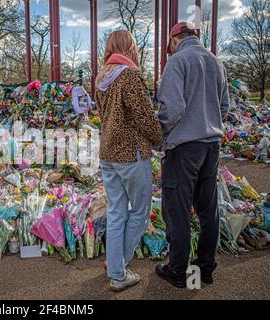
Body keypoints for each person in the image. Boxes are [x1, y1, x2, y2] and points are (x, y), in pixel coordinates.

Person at [156, 22, 230, 288]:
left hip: (184, 147)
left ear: (174, 39)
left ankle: (177, 270)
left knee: (178, 210)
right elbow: (225, 106)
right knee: (208, 210)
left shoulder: (177, 62)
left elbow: (172, 109)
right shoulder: (216, 63)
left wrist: (160, 131)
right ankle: (205, 269)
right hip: (212, 146)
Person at [95, 30, 163, 292]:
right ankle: (118, 269)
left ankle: (114, 264)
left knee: (116, 212)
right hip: (130, 154)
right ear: (129, 47)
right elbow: (145, 117)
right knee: (141, 211)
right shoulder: (130, 75)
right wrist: (158, 138)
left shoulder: (102, 77)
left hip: (108, 153)